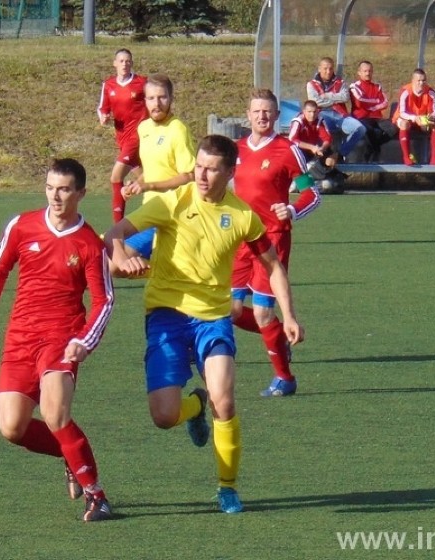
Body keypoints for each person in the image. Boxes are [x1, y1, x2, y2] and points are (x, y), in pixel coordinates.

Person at [103, 135, 305, 514]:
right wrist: (121, 257)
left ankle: (227, 487)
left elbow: (273, 266)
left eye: (212, 169)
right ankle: (194, 408)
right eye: (198, 166)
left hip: (213, 319)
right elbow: (114, 235)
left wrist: (289, 315)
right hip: (165, 316)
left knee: (225, 402)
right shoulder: (173, 202)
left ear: (230, 172)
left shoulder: (243, 216)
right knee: (163, 417)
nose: (202, 174)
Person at [0, 158, 115, 522]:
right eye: (50, 187)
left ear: (81, 193)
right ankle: (71, 455)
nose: (56, 196)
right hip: (20, 338)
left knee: (54, 414)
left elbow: (104, 300)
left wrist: (85, 341)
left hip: (61, 340)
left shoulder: (89, 244)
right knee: (11, 428)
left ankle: (97, 496)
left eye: (64, 189)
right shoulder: (23, 225)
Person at [233, 88, 321, 397]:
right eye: (256, 111)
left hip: (272, 239)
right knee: (228, 309)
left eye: (268, 111)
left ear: (276, 116)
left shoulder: (288, 150)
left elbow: (312, 192)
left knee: (261, 313)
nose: (262, 116)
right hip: (240, 239)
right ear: (248, 114)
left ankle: (284, 378)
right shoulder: (237, 150)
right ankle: (278, 336)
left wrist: (293, 208)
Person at [117, 73, 195, 268]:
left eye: (162, 97)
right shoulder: (144, 128)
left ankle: (165, 272)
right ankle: (165, 271)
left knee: (115, 262)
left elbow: (188, 175)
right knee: (113, 253)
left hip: (170, 211)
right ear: (145, 100)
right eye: (151, 98)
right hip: (149, 209)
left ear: (171, 99)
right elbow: (154, 169)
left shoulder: (178, 129)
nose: (157, 103)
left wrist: (150, 185)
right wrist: (138, 183)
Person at [97, 48, 148, 223]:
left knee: (116, 177)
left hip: (138, 136)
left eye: (128, 61)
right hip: (122, 137)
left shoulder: (141, 83)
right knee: (147, 176)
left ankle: (117, 227)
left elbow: (155, 101)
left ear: (131, 63)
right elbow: (103, 108)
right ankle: (169, 196)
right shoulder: (109, 85)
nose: (124, 64)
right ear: (115, 63)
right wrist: (103, 117)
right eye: (121, 61)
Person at [306, 57, 366, 162]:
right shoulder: (311, 84)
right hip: (322, 114)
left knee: (360, 129)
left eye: (330, 68)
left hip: (340, 115)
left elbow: (345, 97)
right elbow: (315, 102)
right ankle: (321, 158)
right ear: (319, 69)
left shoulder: (340, 82)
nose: (328, 72)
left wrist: (327, 95)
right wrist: (335, 99)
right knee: (322, 130)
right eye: (325, 68)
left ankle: (339, 154)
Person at [392, 68, 435, 166]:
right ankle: (406, 157)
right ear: (413, 81)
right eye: (418, 80)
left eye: (423, 80)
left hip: (422, 118)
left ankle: (434, 158)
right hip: (406, 118)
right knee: (404, 124)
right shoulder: (405, 91)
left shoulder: (431, 92)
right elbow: (402, 112)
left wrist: (429, 118)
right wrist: (415, 118)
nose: (421, 83)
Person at [349, 60, 396, 162]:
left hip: (376, 118)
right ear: (359, 72)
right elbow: (359, 102)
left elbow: (385, 102)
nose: (367, 73)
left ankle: (372, 148)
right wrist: (376, 101)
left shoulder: (377, 87)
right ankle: (375, 151)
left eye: (370, 71)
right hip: (361, 117)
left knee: (393, 128)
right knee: (372, 131)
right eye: (365, 71)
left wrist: (371, 107)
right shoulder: (354, 87)